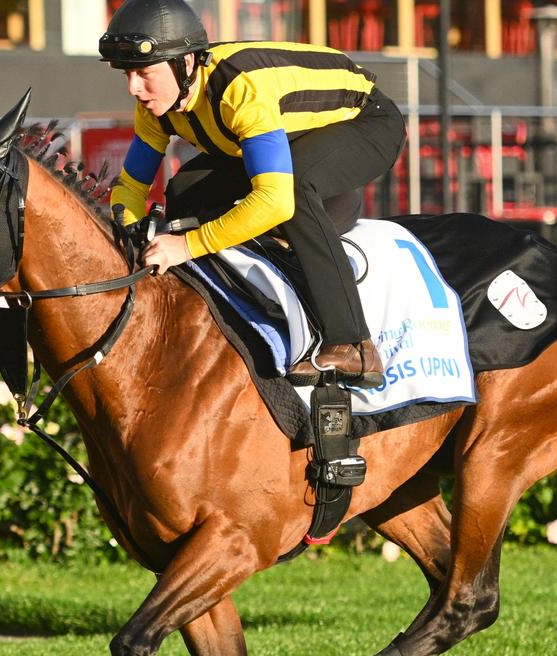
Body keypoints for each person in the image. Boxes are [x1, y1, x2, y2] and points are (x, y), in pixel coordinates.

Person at [99, 0, 406, 388]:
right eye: (126, 74)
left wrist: (188, 246)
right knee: (185, 190)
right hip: (291, 136)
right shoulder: (158, 106)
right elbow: (130, 186)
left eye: (144, 72)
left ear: (186, 63)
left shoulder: (238, 88)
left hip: (366, 122)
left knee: (291, 190)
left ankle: (353, 344)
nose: (134, 88)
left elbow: (274, 199)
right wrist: (128, 232)